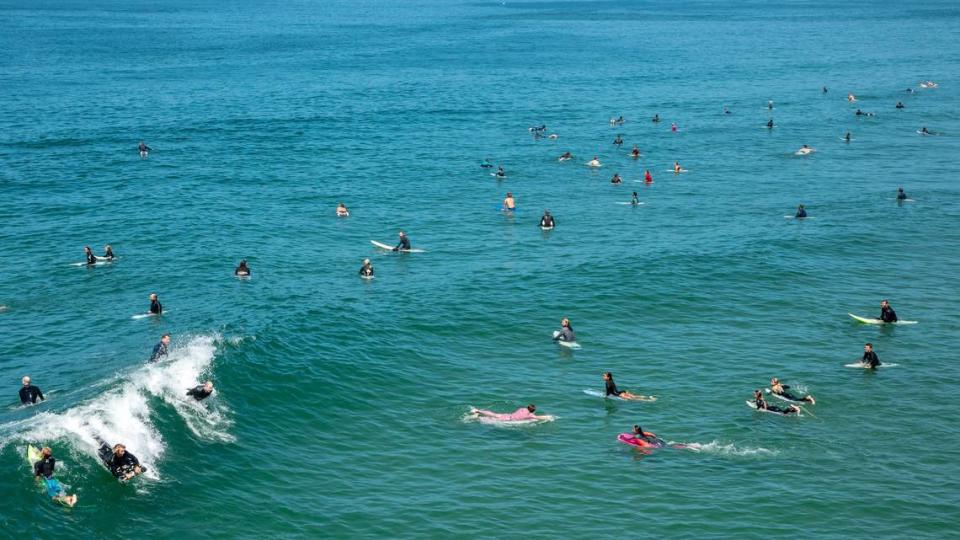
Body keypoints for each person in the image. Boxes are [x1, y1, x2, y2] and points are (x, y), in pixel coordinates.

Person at [471, 404, 548, 422]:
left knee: (493, 414)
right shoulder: (530, 415)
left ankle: (477, 411)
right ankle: (478, 417)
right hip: (508, 419)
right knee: (491, 419)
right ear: (533, 411)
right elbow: (538, 417)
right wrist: (548, 417)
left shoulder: (522, 409)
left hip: (507, 415)